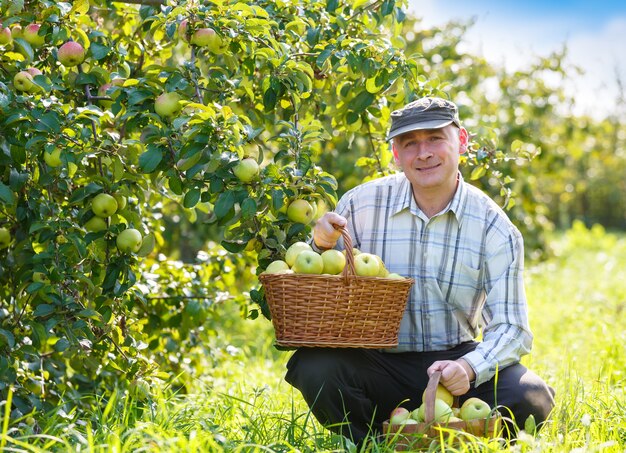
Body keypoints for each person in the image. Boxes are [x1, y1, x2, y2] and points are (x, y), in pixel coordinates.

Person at [284, 97, 555, 445]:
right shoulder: (360, 205)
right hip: (378, 365)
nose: (423, 153)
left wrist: (470, 368)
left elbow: (513, 328)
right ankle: (369, 443)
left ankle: (457, 436)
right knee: (315, 366)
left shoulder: (493, 226)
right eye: (410, 144)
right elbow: (315, 285)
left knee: (532, 396)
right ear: (396, 155)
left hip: (456, 360)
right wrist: (319, 245)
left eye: (435, 139)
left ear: (461, 141)